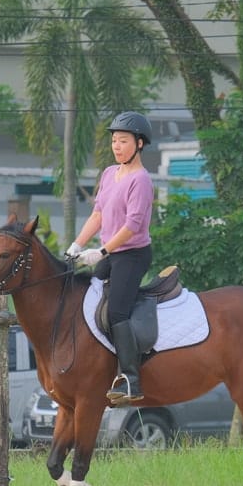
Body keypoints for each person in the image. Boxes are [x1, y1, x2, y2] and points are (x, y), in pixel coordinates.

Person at [64, 111, 155, 406]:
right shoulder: (108, 173)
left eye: (123, 141)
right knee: (84, 293)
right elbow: (99, 214)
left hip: (132, 255)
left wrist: (102, 251)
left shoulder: (140, 180)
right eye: (114, 140)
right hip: (111, 253)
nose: (117, 146)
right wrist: (77, 245)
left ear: (139, 144)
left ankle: (131, 378)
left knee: (117, 311)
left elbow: (132, 226)